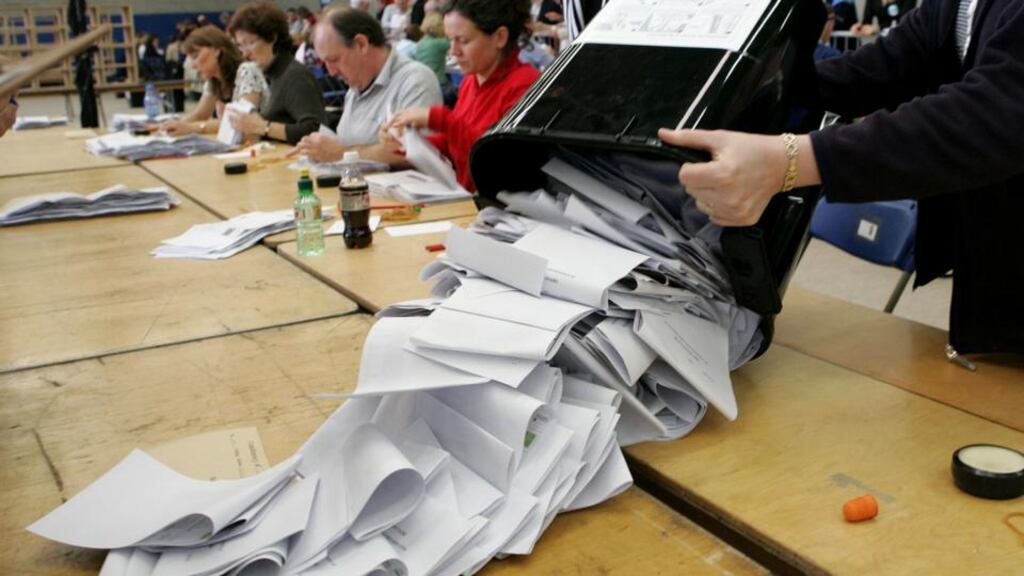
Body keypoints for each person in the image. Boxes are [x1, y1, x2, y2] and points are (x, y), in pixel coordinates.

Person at [657, 0, 1024, 355]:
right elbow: (877, 69)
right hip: (994, 271)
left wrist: (792, 160)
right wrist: (738, 88)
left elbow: (996, 113)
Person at [383, 0, 540, 192]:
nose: (453, 50)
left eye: (463, 41)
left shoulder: (525, 85)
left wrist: (440, 119)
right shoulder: (471, 81)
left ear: (500, 37)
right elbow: (456, 144)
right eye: (450, 40)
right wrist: (409, 144)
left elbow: (496, 162)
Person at [290, 8, 440, 163]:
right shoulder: (356, 84)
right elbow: (348, 143)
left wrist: (340, 154)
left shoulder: (415, 81)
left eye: (334, 60)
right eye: (325, 62)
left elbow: (418, 156)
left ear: (361, 44)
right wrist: (319, 147)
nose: (331, 72)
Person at [227, 1, 325, 144]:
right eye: (241, 46)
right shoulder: (273, 74)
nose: (245, 54)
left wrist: (261, 127)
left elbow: (314, 129)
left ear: (272, 37)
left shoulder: (295, 76)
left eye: (250, 43)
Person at [157, 26, 269, 136]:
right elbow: (199, 115)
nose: (193, 65)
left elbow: (241, 121)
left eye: (195, 56)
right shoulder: (213, 81)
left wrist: (191, 128)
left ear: (216, 50)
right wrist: (166, 127)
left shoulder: (247, 70)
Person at [415, 13, 453, 102]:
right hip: (440, 84)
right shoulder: (440, 43)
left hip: (424, 84)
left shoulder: (419, 43)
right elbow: (453, 42)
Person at [851, 0, 916, 36]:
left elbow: (904, 22)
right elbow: (867, 20)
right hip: (884, 42)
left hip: (902, 40)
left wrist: (877, 28)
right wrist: (860, 26)